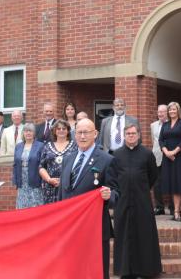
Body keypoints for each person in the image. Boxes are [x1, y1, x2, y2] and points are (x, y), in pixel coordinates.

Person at [60, 119, 118, 279]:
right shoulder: (68, 159)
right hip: (71, 228)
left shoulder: (107, 160)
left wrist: (109, 195)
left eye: (86, 132)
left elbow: (117, 194)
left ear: (95, 134)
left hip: (95, 229)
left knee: (96, 272)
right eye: (79, 132)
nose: (82, 136)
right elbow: (61, 195)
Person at [111, 124, 162, 278]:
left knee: (144, 235)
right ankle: (125, 270)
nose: (131, 136)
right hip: (123, 201)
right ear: (124, 136)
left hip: (142, 201)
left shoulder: (147, 154)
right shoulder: (117, 154)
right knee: (124, 235)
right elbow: (112, 177)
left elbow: (153, 176)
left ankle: (146, 270)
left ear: (139, 135)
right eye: (128, 133)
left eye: (133, 133)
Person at [159, 101, 181, 221]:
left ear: (178, 110)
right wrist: (166, 152)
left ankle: (177, 211)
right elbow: (161, 140)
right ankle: (176, 210)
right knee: (171, 184)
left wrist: (174, 152)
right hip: (167, 158)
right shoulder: (165, 124)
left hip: (180, 157)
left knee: (178, 184)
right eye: (170, 110)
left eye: (174, 109)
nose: (172, 111)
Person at [38, 120, 76, 204]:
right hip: (49, 187)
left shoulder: (75, 146)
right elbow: (41, 167)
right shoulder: (47, 146)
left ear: (68, 130)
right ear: (54, 131)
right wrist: (49, 179)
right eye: (58, 128)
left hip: (68, 186)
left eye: (64, 128)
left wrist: (65, 181)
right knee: (50, 214)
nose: (61, 130)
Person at [12, 123, 44, 209]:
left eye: (30, 131)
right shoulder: (18, 146)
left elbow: (43, 164)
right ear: (23, 133)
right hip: (22, 180)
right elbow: (15, 165)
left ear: (34, 133)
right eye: (26, 131)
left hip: (35, 179)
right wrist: (15, 180)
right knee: (22, 206)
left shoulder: (40, 146)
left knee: (35, 205)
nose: (28, 133)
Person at [150, 104, 168, 215]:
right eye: (159, 111)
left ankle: (172, 207)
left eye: (163, 111)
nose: (160, 114)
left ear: (167, 113)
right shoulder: (153, 125)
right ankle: (159, 207)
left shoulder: (171, 125)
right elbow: (154, 141)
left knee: (170, 181)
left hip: (169, 156)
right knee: (156, 183)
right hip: (157, 156)